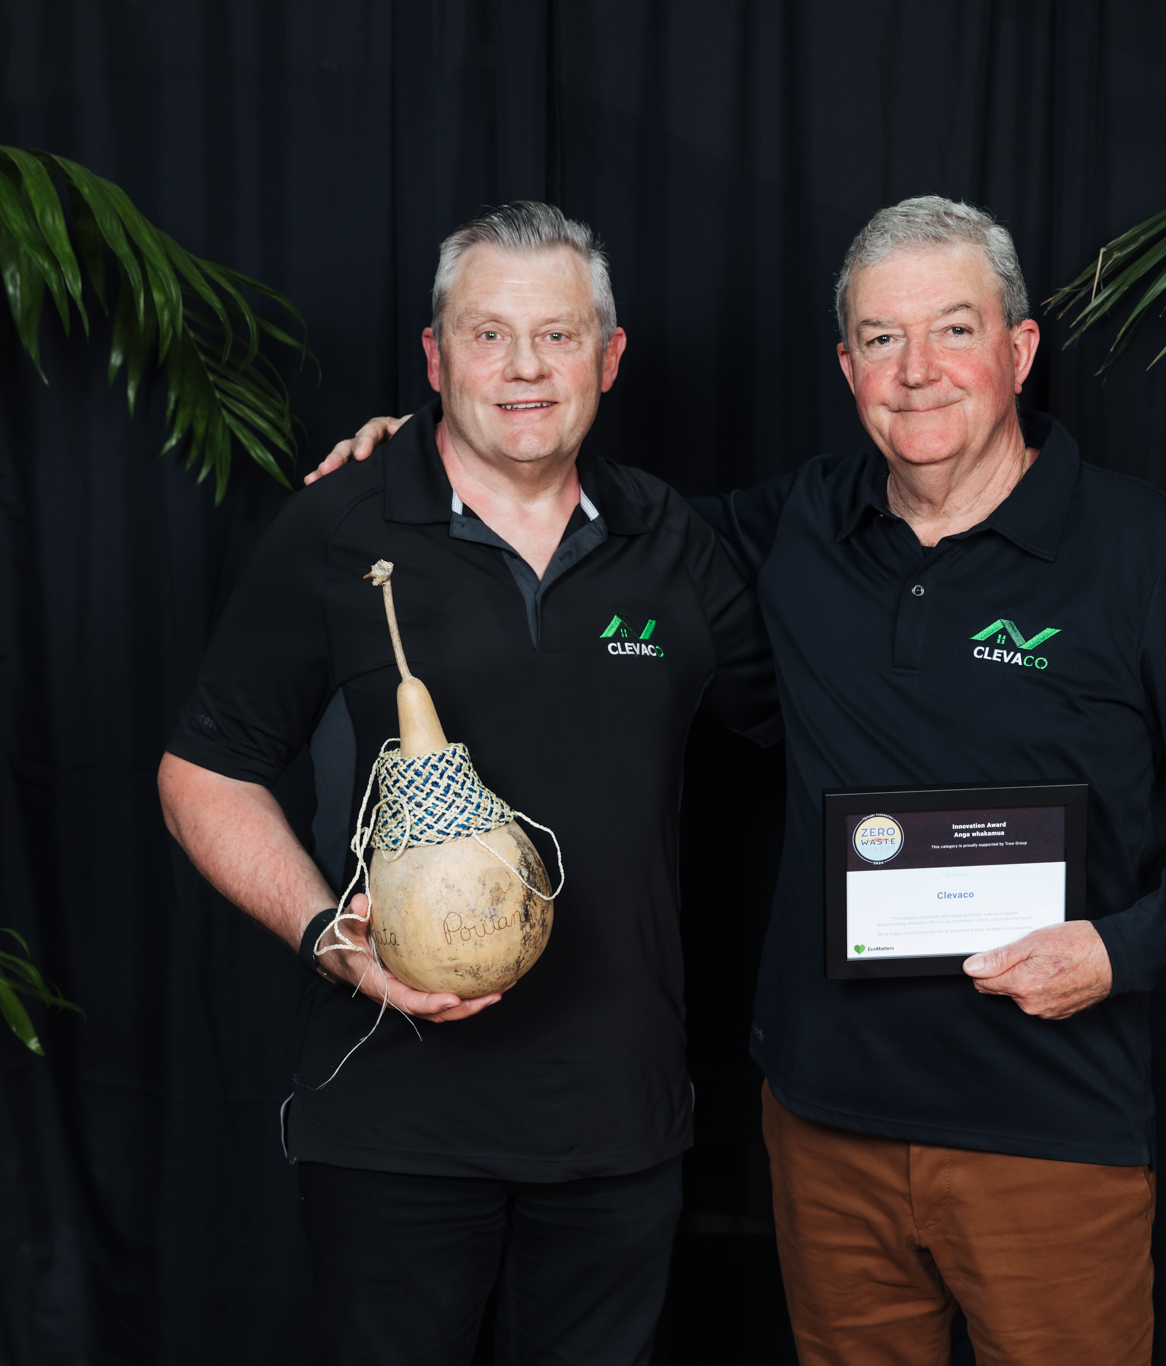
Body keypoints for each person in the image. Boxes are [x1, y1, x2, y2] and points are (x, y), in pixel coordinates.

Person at [314, 196, 1166, 1366]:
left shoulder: (1134, 548)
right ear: (845, 366)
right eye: (881, 340)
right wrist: (439, 451)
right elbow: (571, 521)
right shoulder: (792, 526)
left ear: (1019, 348)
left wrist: (1118, 946)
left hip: (1047, 1126)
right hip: (824, 1123)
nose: (916, 371)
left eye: (952, 330)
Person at [158, 202, 776, 1366]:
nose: (526, 369)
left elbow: (801, 717)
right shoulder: (339, 526)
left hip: (615, 1119)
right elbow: (205, 769)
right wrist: (323, 936)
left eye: (556, 335)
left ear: (609, 354)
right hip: (392, 1121)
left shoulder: (671, 541)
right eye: (488, 336)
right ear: (436, 357)